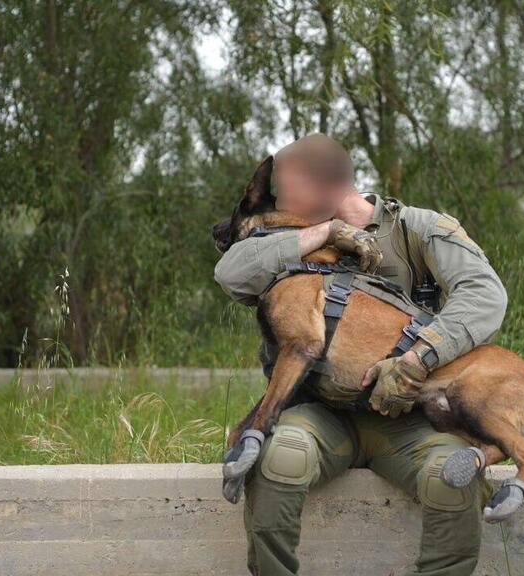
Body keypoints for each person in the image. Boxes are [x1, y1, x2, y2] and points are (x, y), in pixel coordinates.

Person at [213, 133, 508, 576]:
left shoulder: (417, 228)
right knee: (280, 458)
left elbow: (486, 296)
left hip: (411, 418)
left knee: (451, 478)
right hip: (320, 412)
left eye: (289, 192)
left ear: (327, 190)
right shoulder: (296, 233)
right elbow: (232, 272)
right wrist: (326, 232)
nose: (278, 205)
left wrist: (417, 359)